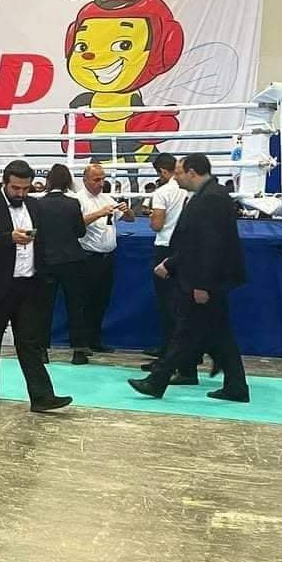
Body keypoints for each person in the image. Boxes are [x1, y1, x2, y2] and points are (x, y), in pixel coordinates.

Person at [128, 154, 249, 402]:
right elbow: (197, 243)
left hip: (206, 279)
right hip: (205, 276)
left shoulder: (211, 199)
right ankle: (235, 385)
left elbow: (210, 246)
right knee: (217, 332)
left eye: (180, 172)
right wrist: (172, 264)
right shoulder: (209, 195)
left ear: (192, 172)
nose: (176, 177)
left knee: (185, 331)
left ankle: (157, 380)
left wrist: (202, 284)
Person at [0, 159, 72, 411]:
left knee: (29, 343)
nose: (21, 193)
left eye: (26, 188)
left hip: (29, 284)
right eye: (16, 188)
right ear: (5, 183)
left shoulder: (35, 206)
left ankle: (41, 397)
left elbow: (44, 241)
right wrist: (9, 238)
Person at [143, 153, 194, 383]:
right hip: (184, 249)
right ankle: (178, 358)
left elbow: (157, 225)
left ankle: (168, 358)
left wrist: (152, 215)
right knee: (181, 307)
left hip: (165, 248)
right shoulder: (189, 191)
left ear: (163, 171)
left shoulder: (162, 192)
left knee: (167, 307)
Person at [76, 163, 134, 352]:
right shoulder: (78, 200)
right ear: (85, 180)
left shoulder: (107, 198)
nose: (101, 183)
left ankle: (95, 339)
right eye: (97, 179)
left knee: (101, 300)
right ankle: (81, 343)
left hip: (107, 257)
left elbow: (130, 219)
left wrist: (127, 210)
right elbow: (75, 224)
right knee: (85, 301)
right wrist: (99, 213)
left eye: (103, 179)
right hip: (88, 257)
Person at [39, 164, 90, 365]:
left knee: (44, 307)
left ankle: (41, 350)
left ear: (48, 181)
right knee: (75, 306)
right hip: (72, 259)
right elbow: (80, 232)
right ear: (68, 181)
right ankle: (78, 351)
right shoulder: (73, 203)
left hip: (47, 260)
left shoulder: (39, 204)